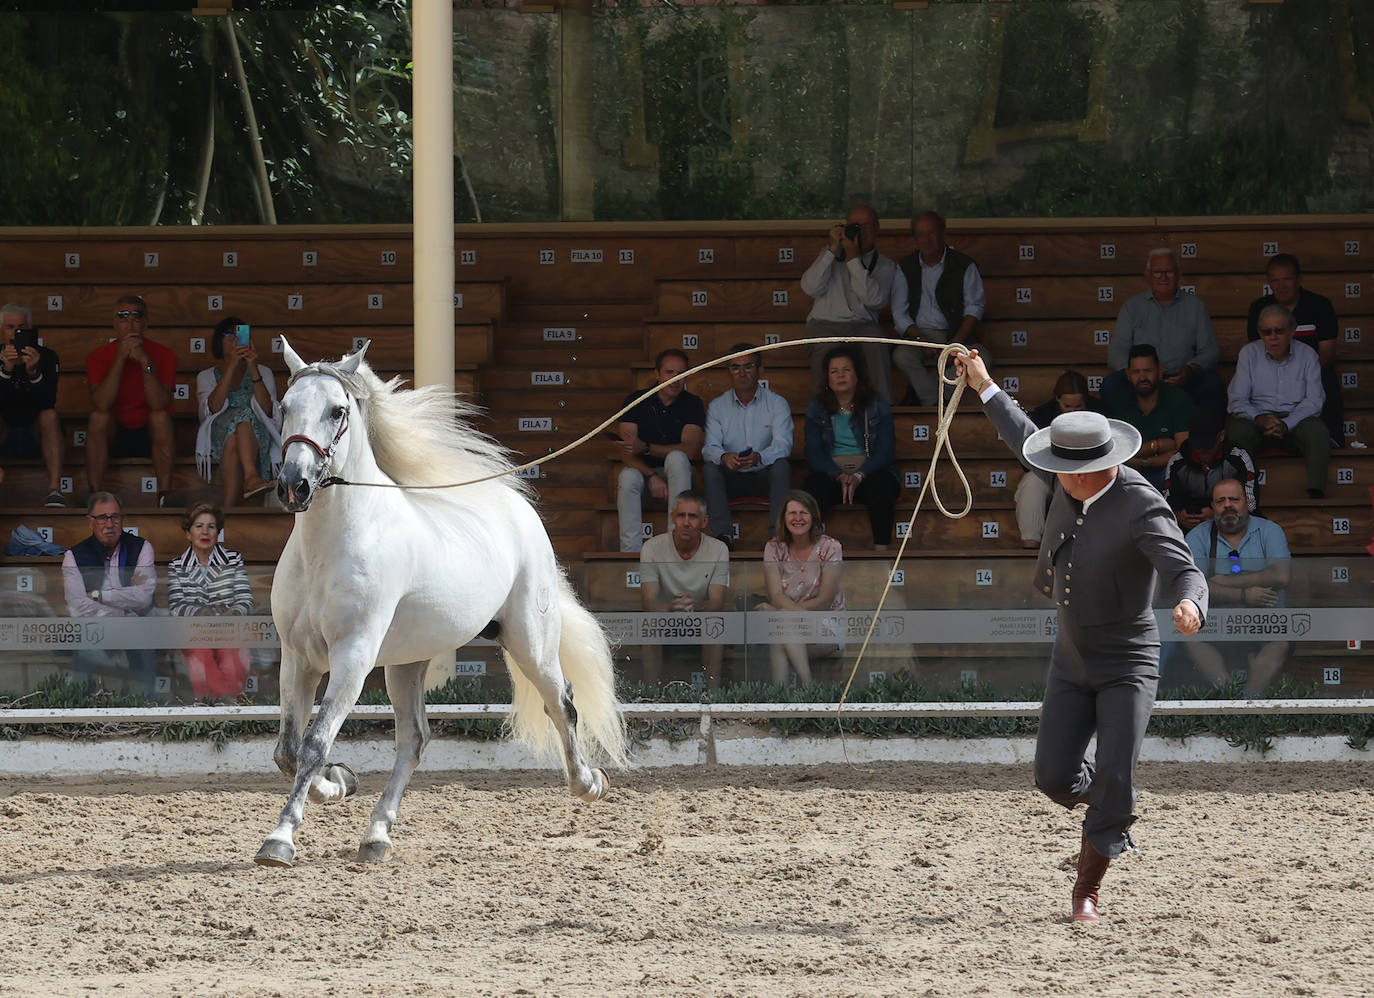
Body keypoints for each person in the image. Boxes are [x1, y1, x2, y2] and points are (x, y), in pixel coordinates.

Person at [954, 347, 1207, 924]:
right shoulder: (1065, 472)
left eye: (1063, 471)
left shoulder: (1143, 505)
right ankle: (1114, 805)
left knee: (1117, 773)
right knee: (1052, 776)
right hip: (1070, 660)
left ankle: (1086, 889)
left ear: (1098, 464)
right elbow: (1024, 435)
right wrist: (984, 384)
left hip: (1127, 663)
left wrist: (1191, 602)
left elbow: (1184, 570)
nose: (1054, 477)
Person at [1184, 478, 1291, 695]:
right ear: (1213, 507)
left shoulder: (1269, 530)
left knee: (1280, 642)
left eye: (1234, 499)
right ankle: (1228, 700)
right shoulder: (1197, 536)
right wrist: (1244, 595)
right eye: (1220, 501)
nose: (1228, 505)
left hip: (1266, 621)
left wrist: (1225, 582)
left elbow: (1281, 576)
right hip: (1216, 623)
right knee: (1191, 639)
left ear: (1247, 502)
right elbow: (1195, 586)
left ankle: (1248, 705)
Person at [85, 294, 182, 506]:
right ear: (114, 323)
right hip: (115, 433)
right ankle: (94, 494)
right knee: (98, 417)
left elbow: (158, 403)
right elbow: (101, 403)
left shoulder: (164, 354)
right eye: (123, 317)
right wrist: (121, 358)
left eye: (136, 318)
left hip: (150, 434)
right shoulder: (98, 356)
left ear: (145, 322)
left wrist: (144, 360)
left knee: (160, 417)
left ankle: (165, 494)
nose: (130, 324)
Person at [802, 345, 900, 549]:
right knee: (813, 489)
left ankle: (881, 551)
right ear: (827, 378)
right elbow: (813, 453)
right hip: (833, 475)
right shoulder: (817, 406)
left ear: (858, 373)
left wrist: (859, 475)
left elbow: (885, 452)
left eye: (846, 369)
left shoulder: (876, 404)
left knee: (882, 486)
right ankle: (814, 552)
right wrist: (838, 475)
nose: (840, 376)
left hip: (868, 472)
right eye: (834, 371)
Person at [1227, 304, 1329, 499]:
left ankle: (1317, 493)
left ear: (1292, 331)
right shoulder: (1249, 354)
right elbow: (1237, 400)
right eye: (1266, 332)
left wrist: (1286, 424)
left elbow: (1315, 401)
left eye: (1279, 331)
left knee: (1317, 430)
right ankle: (1244, 493)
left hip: (1296, 420)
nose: (1273, 337)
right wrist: (1259, 418)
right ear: (1259, 333)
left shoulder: (1308, 355)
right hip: (1258, 419)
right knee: (1237, 431)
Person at [1107, 248, 1224, 416]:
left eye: (1168, 271)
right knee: (1111, 385)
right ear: (1148, 275)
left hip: (1181, 376)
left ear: (1178, 274)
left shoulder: (1196, 306)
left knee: (1212, 383)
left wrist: (1190, 370)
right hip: (1142, 378)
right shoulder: (1132, 307)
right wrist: (1136, 374)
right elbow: (1116, 350)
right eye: (1157, 272)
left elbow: (1210, 350)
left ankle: (1204, 441)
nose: (1163, 277)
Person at [61, 491, 158, 693]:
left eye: (115, 517)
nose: (109, 523)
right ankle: (83, 713)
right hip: (96, 628)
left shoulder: (141, 548)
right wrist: (121, 610)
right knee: (87, 645)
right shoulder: (74, 555)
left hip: (135, 627)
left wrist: (100, 595)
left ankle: (145, 712)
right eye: (102, 518)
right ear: (90, 522)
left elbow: (143, 598)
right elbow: (77, 604)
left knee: (143, 641)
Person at [798, 204, 897, 399]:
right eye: (854, 226)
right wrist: (832, 249)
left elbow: (874, 300)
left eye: (866, 226)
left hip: (863, 326)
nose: (860, 232)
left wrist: (853, 258)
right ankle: (821, 415)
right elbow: (809, 287)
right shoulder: (829, 255)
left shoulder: (886, 265)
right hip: (825, 325)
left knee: (877, 343)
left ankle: (882, 411)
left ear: (876, 228)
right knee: (823, 346)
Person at [1246, 253, 1345, 447]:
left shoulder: (1320, 305)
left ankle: (1331, 438)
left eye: (1287, 279)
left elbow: (1327, 354)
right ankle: (1265, 433)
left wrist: (1299, 376)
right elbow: (1256, 352)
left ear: (1299, 279)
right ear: (1269, 282)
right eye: (1275, 280)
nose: (1281, 286)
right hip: (1270, 373)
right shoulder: (1259, 308)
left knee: (1327, 378)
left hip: (1310, 373)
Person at [701, 344, 794, 548]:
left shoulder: (777, 403)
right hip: (731, 478)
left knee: (781, 466)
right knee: (710, 468)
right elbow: (709, 448)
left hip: (764, 476)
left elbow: (784, 445)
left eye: (748, 367)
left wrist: (760, 457)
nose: (741, 373)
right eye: (735, 367)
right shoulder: (718, 406)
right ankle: (723, 538)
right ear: (729, 373)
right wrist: (725, 457)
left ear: (760, 371)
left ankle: (777, 538)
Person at [890, 211, 987, 405]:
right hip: (921, 337)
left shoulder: (963, 264)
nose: (926, 239)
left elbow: (974, 308)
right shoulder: (906, 267)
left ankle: (935, 392)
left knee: (982, 357)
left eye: (931, 232)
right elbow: (899, 313)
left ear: (943, 233)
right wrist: (920, 339)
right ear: (915, 238)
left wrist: (956, 342)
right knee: (901, 356)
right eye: (921, 234)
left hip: (955, 334)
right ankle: (933, 400)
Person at [613, 348, 705, 553]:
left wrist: (646, 447)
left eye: (680, 374)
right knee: (627, 477)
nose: (675, 379)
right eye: (669, 372)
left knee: (678, 459)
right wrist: (652, 475)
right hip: (644, 474)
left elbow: (688, 450)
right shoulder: (635, 401)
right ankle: (630, 551)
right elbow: (626, 452)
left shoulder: (693, 404)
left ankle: (677, 545)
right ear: (657, 374)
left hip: (678, 475)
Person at [639, 491, 730, 688]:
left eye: (693, 516)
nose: (686, 522)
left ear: (704, 521)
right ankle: (651, 696)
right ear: (673, 518)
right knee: (649, 624)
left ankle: (713, 699)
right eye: (681, 516)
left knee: (715, 622)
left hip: (702, 617)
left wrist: (695, 605)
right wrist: (671, 608)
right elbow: (649, 601)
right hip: (665, 616)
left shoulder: (719, 549)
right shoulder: (652, 548)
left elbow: (717, 602)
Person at [756, 490, 844, 687]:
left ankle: (783, 702)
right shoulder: (773, 547)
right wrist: (791, 616)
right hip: (788, 623)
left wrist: (787, 614)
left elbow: (825, 600)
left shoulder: (831, 547)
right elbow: (776, 595)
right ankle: (807, 689)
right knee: (782, 629)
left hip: (825, 624)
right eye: (792, 513)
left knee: (780, 628)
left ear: (813, 516)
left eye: (803, 513)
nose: (798, 518)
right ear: (784, 518)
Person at [168, 502, 255, 700]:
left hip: (229, 628)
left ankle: (220, 708)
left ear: (218, 533)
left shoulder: (232, 559)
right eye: (199, 526)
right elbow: (176, 607)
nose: (205, 531)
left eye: (211, 526)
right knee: (201, 653)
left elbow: (245, 599)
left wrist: (231, 615)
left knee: (232, 653)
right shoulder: (177, 564)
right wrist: (202, 613)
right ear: (188, 533)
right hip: (194, 631)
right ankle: (231, 703)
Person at [195, 316, 282, 507]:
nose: (235, 340)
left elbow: (268, 411)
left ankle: (227, 508)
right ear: (219, 341)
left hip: (257, 433)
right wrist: (232, 366)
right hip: (219, 431)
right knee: (240, 420)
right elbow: (211, 410)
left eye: (239, 335)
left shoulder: (263, 372)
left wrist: (252, 366)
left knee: (238, 431)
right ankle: (251, 476)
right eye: (228, 335)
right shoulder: (206, 376)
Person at [1014, 371, 1103, 549]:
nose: (1072, 411)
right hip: (1052, 473)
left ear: (1086, 400)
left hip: (1090, 472)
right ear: (1057, 399)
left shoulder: (1099, 413)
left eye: (1078, 406)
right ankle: (1030, 542)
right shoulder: (1043, 415)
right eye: (1067, 406)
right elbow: (1028, 460)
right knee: (1032, 483)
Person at [1104, 344, 1194, 491]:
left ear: (1160, 371)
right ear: (1128, 374)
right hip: (1127, 473)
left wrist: (1142, 461)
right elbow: (1116, 453)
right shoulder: (1118, 400)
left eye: (1148, 371)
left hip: (1166, 472)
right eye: (1136, 372)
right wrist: (1156, 446)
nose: (1142, 377)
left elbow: (1182, 453)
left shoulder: (1178, 399)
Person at [0, 303, 64, 505]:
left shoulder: (47, 356)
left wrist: (34, 372)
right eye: (10, 327)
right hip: (5, 431)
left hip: (36, 433)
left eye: (21, 327)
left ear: (31, 329)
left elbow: (48, 402)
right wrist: (6, 371)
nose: (16, 332)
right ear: (1, 330)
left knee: (49, 415)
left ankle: (54, 489)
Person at [1164, 408, 1257, 532]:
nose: (1202, 451)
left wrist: (1218, 513)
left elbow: (1251, 503)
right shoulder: (1177, 461)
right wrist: (1178, 515)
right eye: (1197, 446)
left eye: (1208, 446)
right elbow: (1166, 503)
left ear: (1221, 436)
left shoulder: (1239, 458)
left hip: (1233, 522)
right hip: (1189, 528)